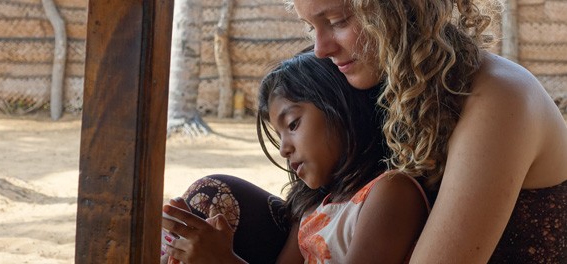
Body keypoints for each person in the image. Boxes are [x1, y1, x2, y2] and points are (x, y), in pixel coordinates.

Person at [290, 0, 567, 263]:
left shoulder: (499, 99)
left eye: (337, 21)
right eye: (311, 27)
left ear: (399, 8)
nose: (320, 49)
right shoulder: (396, 94)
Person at [161, 51, 430, 263]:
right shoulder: (311, 210)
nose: (283, 149)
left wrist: (222, 261)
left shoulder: (391, 193)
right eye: (279, 136)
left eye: (292, 125)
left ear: (341, 109)